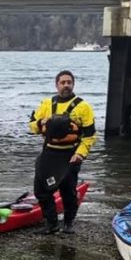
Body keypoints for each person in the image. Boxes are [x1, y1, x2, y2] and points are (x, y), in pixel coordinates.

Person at [28, 70, 96, 234]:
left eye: (69, 82)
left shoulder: (83, 107)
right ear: (56, 84)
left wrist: (80, 154)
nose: (66, 85)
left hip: (70, 154)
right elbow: (32, 126)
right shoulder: (46, 104)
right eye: (63, 82)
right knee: (41, 190)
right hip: (49, 153)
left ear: (73, 84)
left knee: (68, 191)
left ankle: (68, 223)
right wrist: (41, 122)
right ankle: (51, 223)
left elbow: (89, 135)